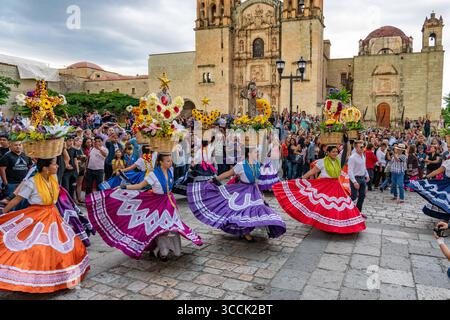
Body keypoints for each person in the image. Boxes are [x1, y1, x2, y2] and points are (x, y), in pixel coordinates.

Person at [86, 153, 203, 260]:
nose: (170, 162)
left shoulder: (170, 170)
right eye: (167, 161)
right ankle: (160, 250)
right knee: (159, 228)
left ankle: (164, 248)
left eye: (170, 160)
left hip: (169, 202)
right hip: (156, 203)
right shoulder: (153, 174)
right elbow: (139, 185)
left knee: (173, 228)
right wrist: (123, 187)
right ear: (161, 162)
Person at [0, 158, 89, 293]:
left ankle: (59, 276)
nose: (57, 166)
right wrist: (4, 213)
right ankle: (32, 279)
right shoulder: (32, 182)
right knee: (36, 248)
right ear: (45, 168)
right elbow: (17, 199)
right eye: (54, 164)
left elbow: (64, 161)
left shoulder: (53, 178)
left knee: (61, 245)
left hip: (53, 214)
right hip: (37, 216)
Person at [187, 143, 286, 242]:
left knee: (257, 209)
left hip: (254, 190)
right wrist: (214, 179)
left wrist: (260, 192)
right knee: (244, 211)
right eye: (256, 152)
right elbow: (228, 173)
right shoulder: (241, 165)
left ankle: (249, 229)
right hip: (242, 190)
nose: (257, 154)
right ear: (249, 154)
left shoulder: (256, 163)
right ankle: (245, 233)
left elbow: (257, 178)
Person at [273, 143, 366, 234]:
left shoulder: (338, 160)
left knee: (337, 206)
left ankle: (333, 225)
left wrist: (347, 142)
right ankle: (325, 225)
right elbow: (312, 172)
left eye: (336, 152)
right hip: (325, 185)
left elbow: (346, 152)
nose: (335, 153)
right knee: (325, 206)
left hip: (337, 186)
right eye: (333, 152)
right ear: (328, 152)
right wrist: (301, 180)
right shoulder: (322, 162)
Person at [0, 141, 33, 208]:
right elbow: (2, 169)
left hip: (24, 184)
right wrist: (5, 182)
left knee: (22, 203)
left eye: (19, 145)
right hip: (11, 183)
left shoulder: (26, 155)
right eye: (15, 145)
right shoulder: (7, 156)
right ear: (11, 146)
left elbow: (30, 167)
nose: (18, 147)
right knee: (11, 204)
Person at [348, 141, 370, 212]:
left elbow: (364, 167)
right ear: (356, 148)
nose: (362, 148)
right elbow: (350, 171)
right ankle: (348, 210)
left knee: (362, 196)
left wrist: (367, 175)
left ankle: (357, 211)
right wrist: (354, 182)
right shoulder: (352, 158)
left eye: (363, 146)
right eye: (361, 147)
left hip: (362, 178)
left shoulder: (363, 155)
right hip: (355, 178)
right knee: (353, 196)